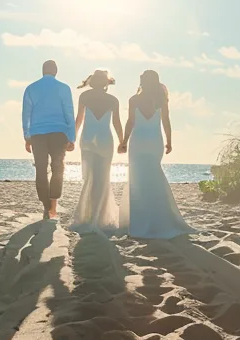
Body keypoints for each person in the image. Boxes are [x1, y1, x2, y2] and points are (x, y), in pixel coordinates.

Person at [119, 70, 193, 239]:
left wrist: (124, 141)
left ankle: (140, 222)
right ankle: (159, 217)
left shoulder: (134, 100)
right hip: (154, 141)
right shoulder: (161, 100)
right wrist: (169, 141)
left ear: (142, 82)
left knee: (138, 180)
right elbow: (166, 121)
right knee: (154, 176)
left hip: (138, 141)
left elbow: (130, 121)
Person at [69, 70, 127, 233]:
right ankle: (97, 216)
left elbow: (79, 120)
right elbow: (116, 122)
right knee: (102, 179)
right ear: (106, 83)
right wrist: (122, 141)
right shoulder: (112, 100)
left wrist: (71, 139)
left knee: (89, 178)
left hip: (87, 139)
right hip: (104, 140)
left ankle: (88, 216)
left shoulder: (84, 97)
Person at [22, 60, 75, 219]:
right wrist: (71, 137)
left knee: (41, 168)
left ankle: (46, 205)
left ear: (42, 71)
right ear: (56, 71)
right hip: (59, 132)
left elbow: (26, 114)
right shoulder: (64, 88)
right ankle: (53, 202)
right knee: (58, 167)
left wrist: (27, 136)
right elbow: (69, 113)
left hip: (38, 133)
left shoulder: (31, 88)